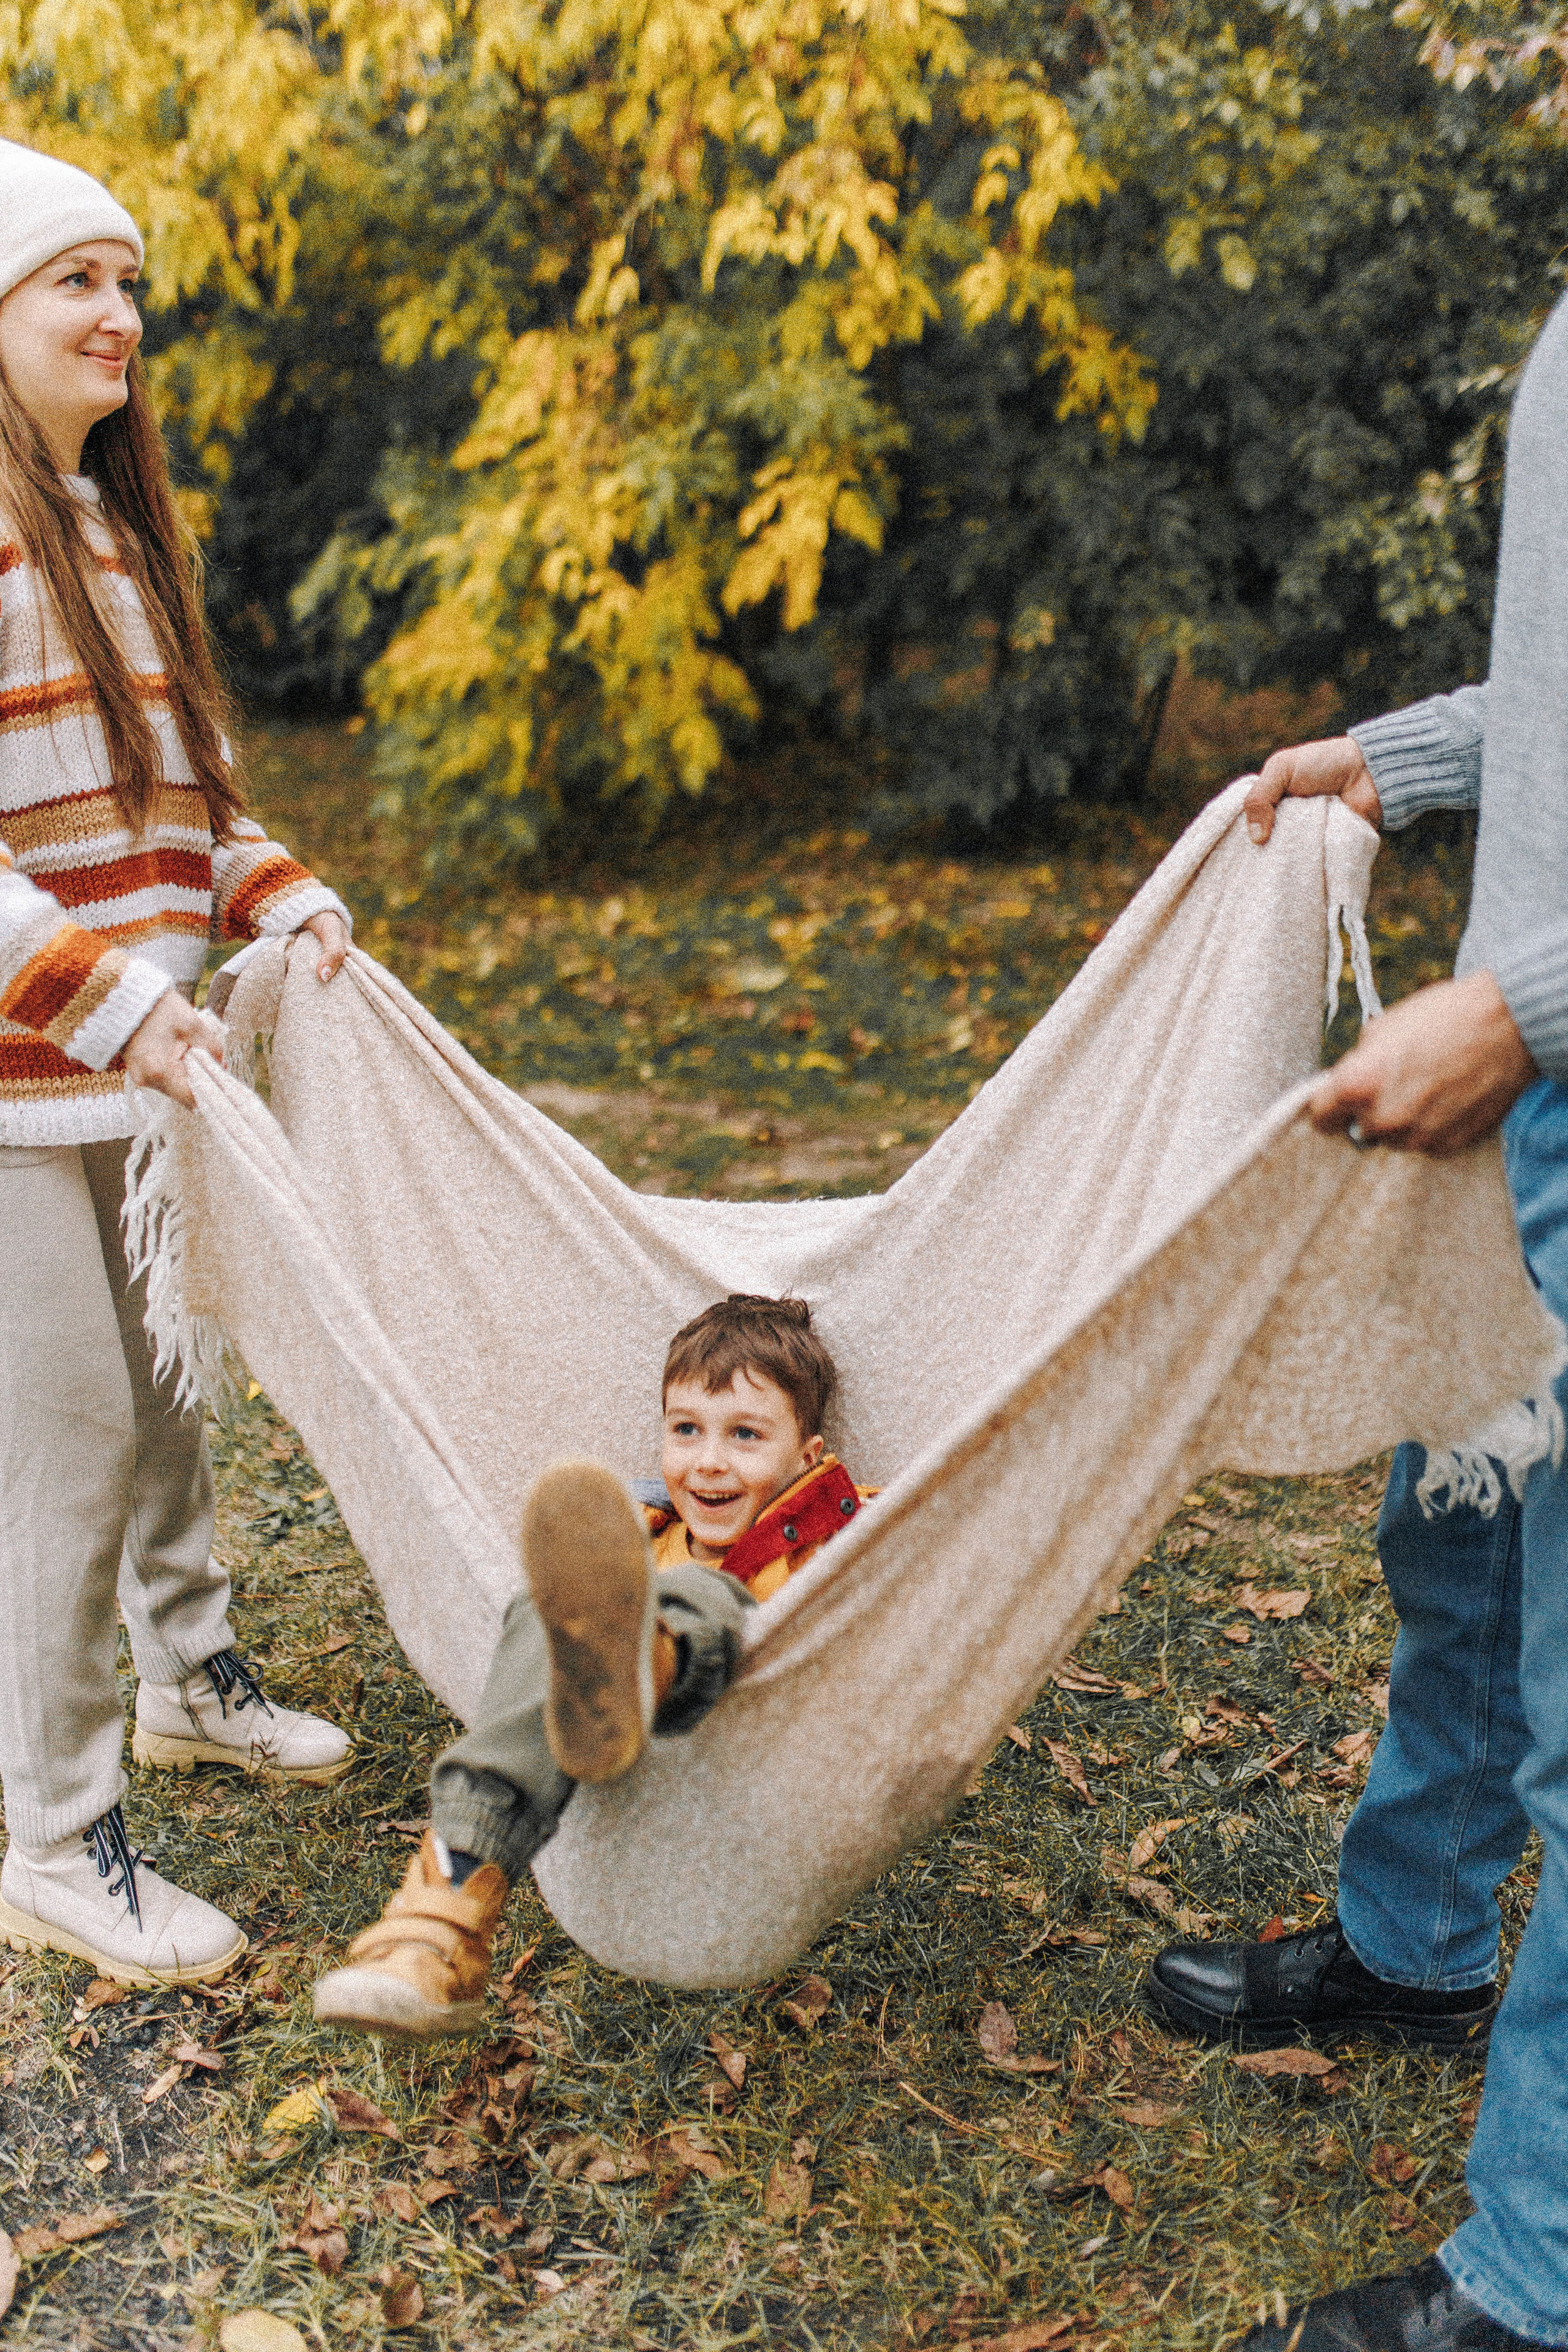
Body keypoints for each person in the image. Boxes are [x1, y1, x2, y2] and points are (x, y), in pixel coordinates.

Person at [1145, 293, 1568, 2352]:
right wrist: (1403, 762)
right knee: (1463, 1539)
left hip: (1535, 1042)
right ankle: (1415, 1947)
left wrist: (1529, 1010)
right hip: (1526, 1093)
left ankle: (1536, 2279)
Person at [0, 140, 356, 1991]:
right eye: (77, 279)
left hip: (128, 1082)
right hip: (19, 1086)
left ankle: (187, 1678)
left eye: (130, 282)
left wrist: (280, 893)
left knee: (164, 1399)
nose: (121, 313)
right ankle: (57, 1840)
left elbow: (182, 807)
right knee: (63, 1447)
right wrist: (110, 996)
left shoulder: (119, 538)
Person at [314, 1293, 874, 2040]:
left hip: (750, 1733)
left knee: (697, 1592)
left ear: (807, 1458)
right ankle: (439, 1926)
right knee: (551, 1610)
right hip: (628, 1766)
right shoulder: (625, 1537)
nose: (708, 1460)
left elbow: (933, 1547)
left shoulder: (847, 1535)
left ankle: (647, 1660)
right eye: (685, 1429)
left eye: (745, 1435)